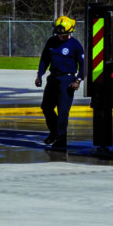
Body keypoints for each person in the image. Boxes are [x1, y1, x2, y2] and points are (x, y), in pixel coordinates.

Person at [37, 15, 83, 151]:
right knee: (46, 107)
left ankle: (61, 139)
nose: (60, 37)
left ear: (70, 32)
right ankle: (54, 132)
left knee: (63, 111)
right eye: (58, 34)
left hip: (67, 81)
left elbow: (83, 64)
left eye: (63, 35)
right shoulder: (51, 41)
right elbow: (44, 59)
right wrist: (39, 75)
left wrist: (78, 80)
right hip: (53, 79)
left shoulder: (75, 45)